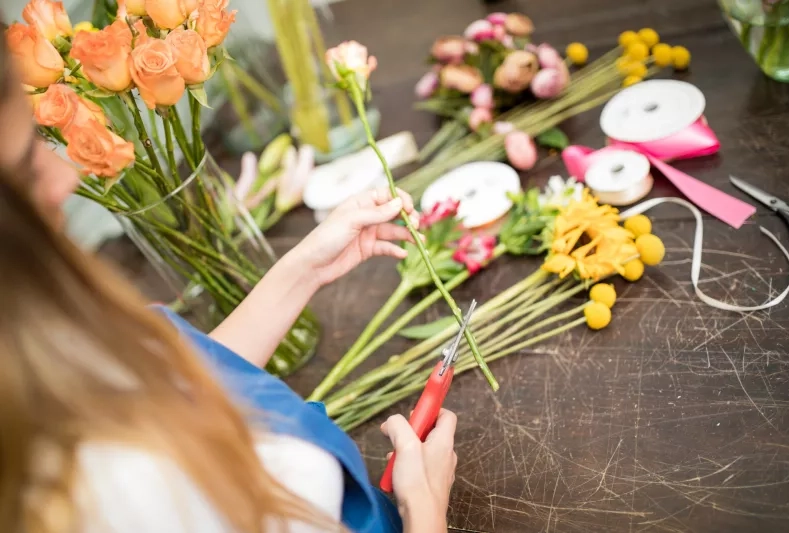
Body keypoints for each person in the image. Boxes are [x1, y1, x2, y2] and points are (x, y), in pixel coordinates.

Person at [0, 26, 457, 533]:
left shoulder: (45, 344)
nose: (68, 177)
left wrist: (306, 267)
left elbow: (182, 387)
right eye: (26, 168)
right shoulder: (107, 490)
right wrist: (425, 510)